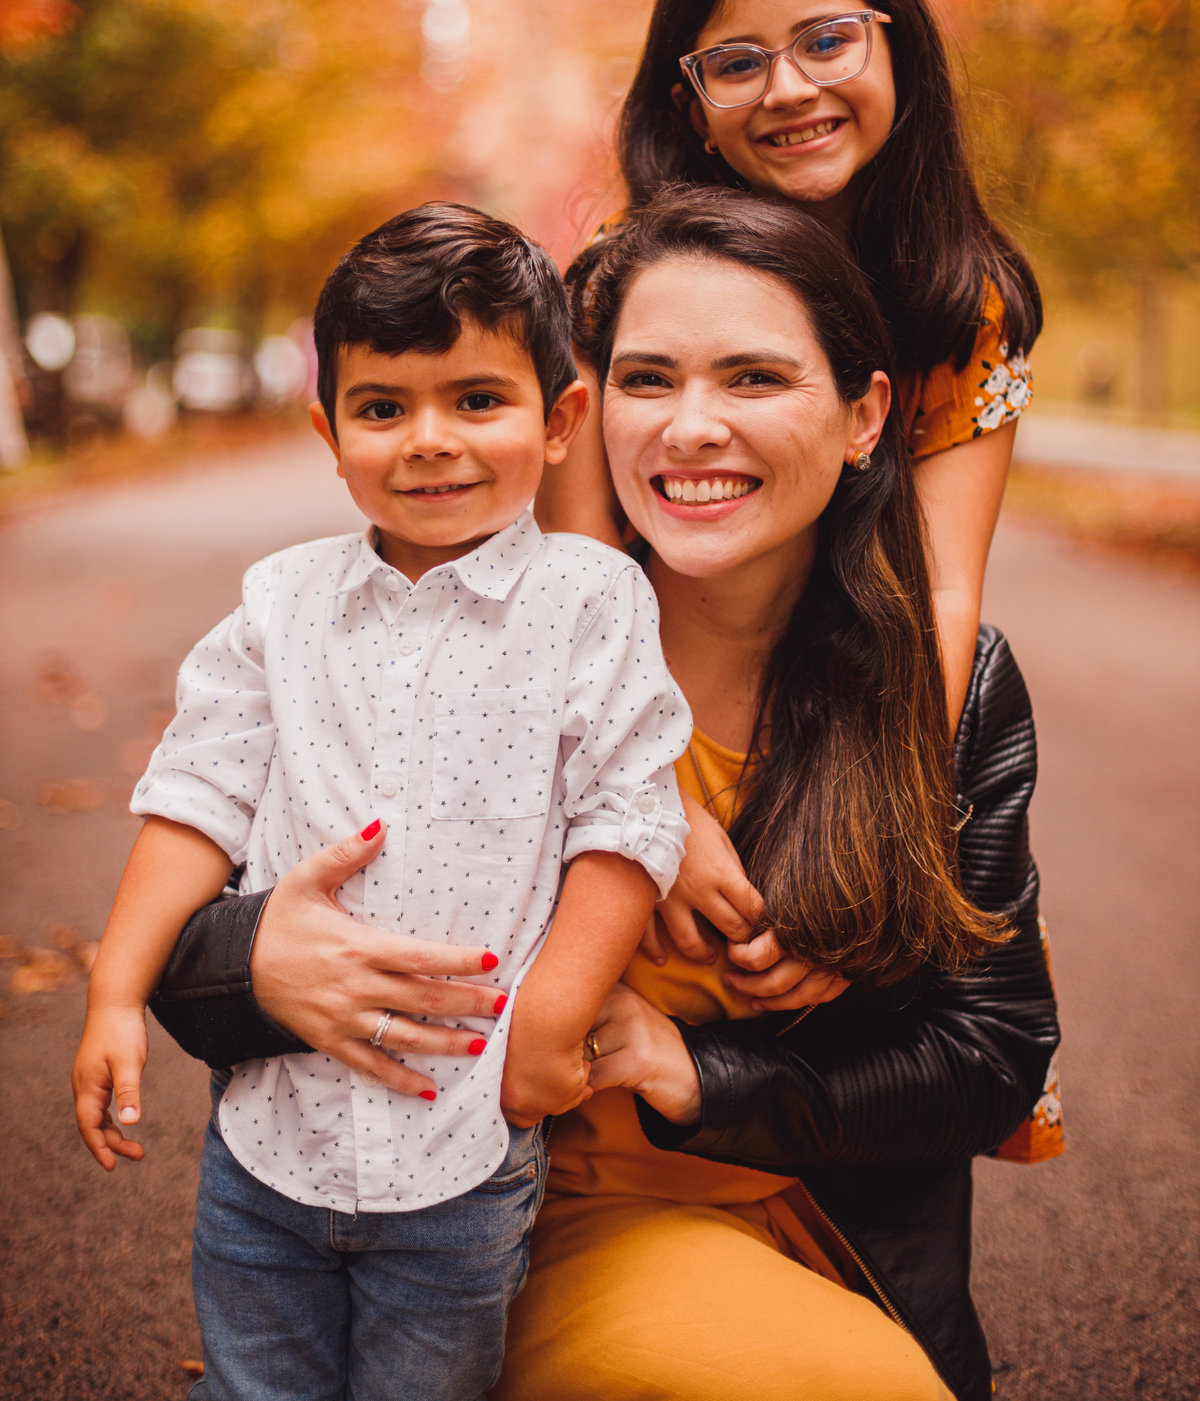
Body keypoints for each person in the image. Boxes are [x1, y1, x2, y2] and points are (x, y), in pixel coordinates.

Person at [149, 195, 1060, 1401]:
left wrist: (691, 1070)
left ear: (863, 415)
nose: (692, 428)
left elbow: (990, 1053)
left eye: (754, 378)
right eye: (648, 378)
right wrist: (259, 957)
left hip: (835, 1221)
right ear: (589, 413)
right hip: (522, 1215)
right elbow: (181, 906)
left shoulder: (943, 684)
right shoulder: (474, 638)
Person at [70, 203, 695, 1401]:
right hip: (268, 1144)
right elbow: (196, 794)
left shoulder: (590, 602)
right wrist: (114, 988)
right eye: (382, 407)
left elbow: (629, 819)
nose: (429, 442)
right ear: (329, 429)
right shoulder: (282, 603)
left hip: (463, 1145)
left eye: (477, 400)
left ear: (561, 419)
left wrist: (548, 1027)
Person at [537, 0, 1042, 731]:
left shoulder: (963, 306)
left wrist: (895, 806)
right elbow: (581, 564)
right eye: (738, 64)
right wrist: (649, 800)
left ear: (898, 50)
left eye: (828, 42)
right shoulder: (613, 287)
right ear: (691, 109)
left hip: (845, 713)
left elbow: (943, 589)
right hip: (633, 713)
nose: (790, 89)